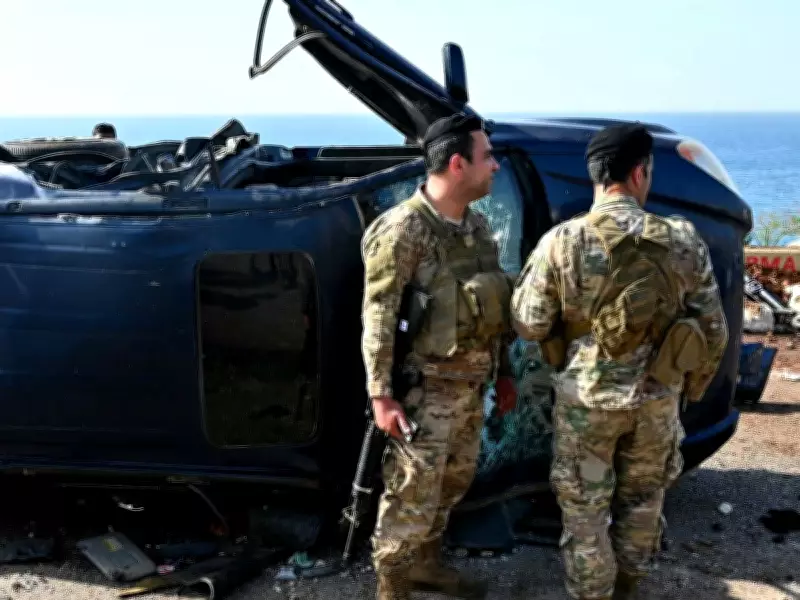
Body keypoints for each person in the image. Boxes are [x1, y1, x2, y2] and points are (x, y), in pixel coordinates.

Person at [510, 123, 728, 600]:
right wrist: (690, 389)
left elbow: (529, 322)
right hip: (656, 400)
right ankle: (629, 588)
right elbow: (714, 329)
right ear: (639, 173)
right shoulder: (682, 240)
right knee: (644, 501)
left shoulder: (563, 241)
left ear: (595, 175)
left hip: (586, 403)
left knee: (584, 512)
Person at [360, 113, 517, 600]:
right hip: (424, 394)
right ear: (457, 164)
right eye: (487, 156)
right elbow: (379, 316)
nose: (495, 165)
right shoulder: (403, 230)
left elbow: (491, 306)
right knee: (410, 497)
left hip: (470, 389)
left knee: (451, 486)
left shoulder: (476, 227)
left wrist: (504, 373)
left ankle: (425, 568)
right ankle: (392, 589)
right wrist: (381, 396)